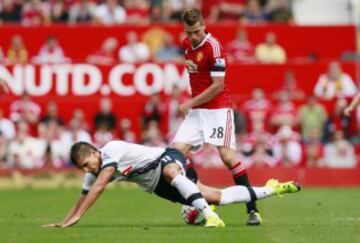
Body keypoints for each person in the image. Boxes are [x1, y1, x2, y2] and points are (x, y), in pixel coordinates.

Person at [42, 140, 300, 228]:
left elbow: (98, 189)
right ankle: (273, 189)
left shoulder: (111, 150)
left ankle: (210, 217)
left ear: (95, 152)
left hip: (166, 159)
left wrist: (80, 217)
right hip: (158, 186)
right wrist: (67, 219)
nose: (88, 170)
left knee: (170, 172)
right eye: (84, 168)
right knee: (216, 196)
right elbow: (83, 194)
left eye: (88, 163)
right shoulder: (93, 172)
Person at [173, 8, 262, 225]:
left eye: (196, 31)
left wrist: (190, 102)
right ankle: (201, 195)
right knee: (174, 155)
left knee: (228, 158)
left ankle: (253, 209)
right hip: (197, 112)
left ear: (203, 25)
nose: (193, 36)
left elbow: (218, 86)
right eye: (189, 32)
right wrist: (193, 105)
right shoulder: (186, 45)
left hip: (217, 109)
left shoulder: (214, 47)